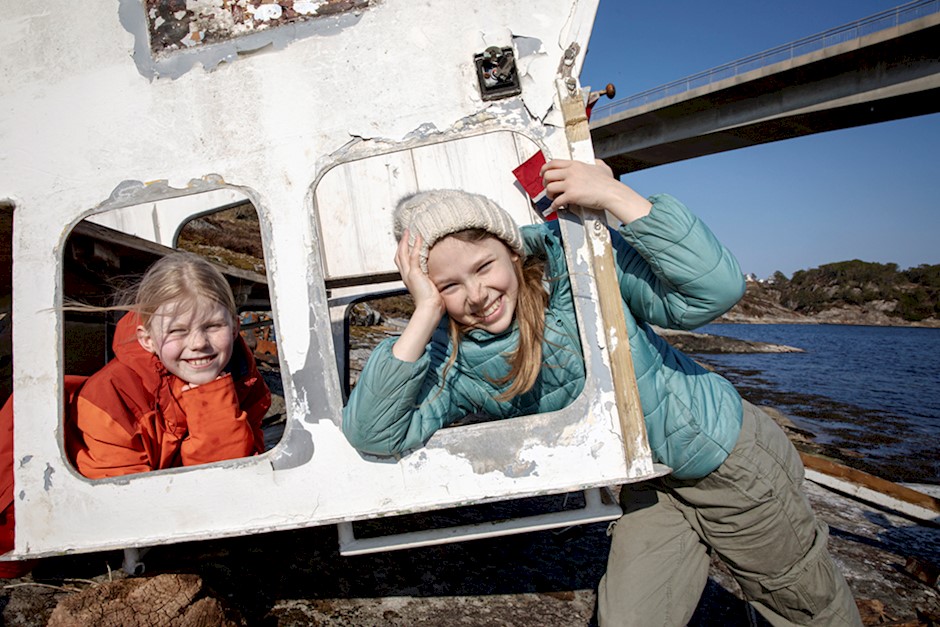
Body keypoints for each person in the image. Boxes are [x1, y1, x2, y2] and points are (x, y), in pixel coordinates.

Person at [342, 159, 862, 626]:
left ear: (512, 249)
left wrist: (615, 197)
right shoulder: (455, 361)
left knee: (805, 607)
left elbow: (713, 291)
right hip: (651, 483)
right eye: (449, 286)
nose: (476, 295)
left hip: (730, 464)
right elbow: (374, 434)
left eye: (483, 267)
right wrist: (425, 314)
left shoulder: (581, 267)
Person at [66, 251, 271, 479]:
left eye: (213, 326)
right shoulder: (110, 399)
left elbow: (238, 479)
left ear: (234, 327)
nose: (198, 343)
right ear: (147, 340)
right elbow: (123, 502)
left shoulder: (245, 380)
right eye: (177, 330)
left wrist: (212, 400)